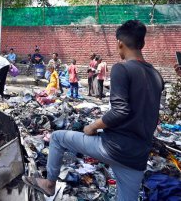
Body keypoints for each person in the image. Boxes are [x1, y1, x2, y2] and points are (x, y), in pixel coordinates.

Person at [22, 20, 164, 201]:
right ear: (142, 44)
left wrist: (93, 126)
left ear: (119, 42)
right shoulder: (156, 75)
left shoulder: (122, 69)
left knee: (57, 138)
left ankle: (49, 184)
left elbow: (120, 111)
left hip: (113, 147)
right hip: (137, 156)